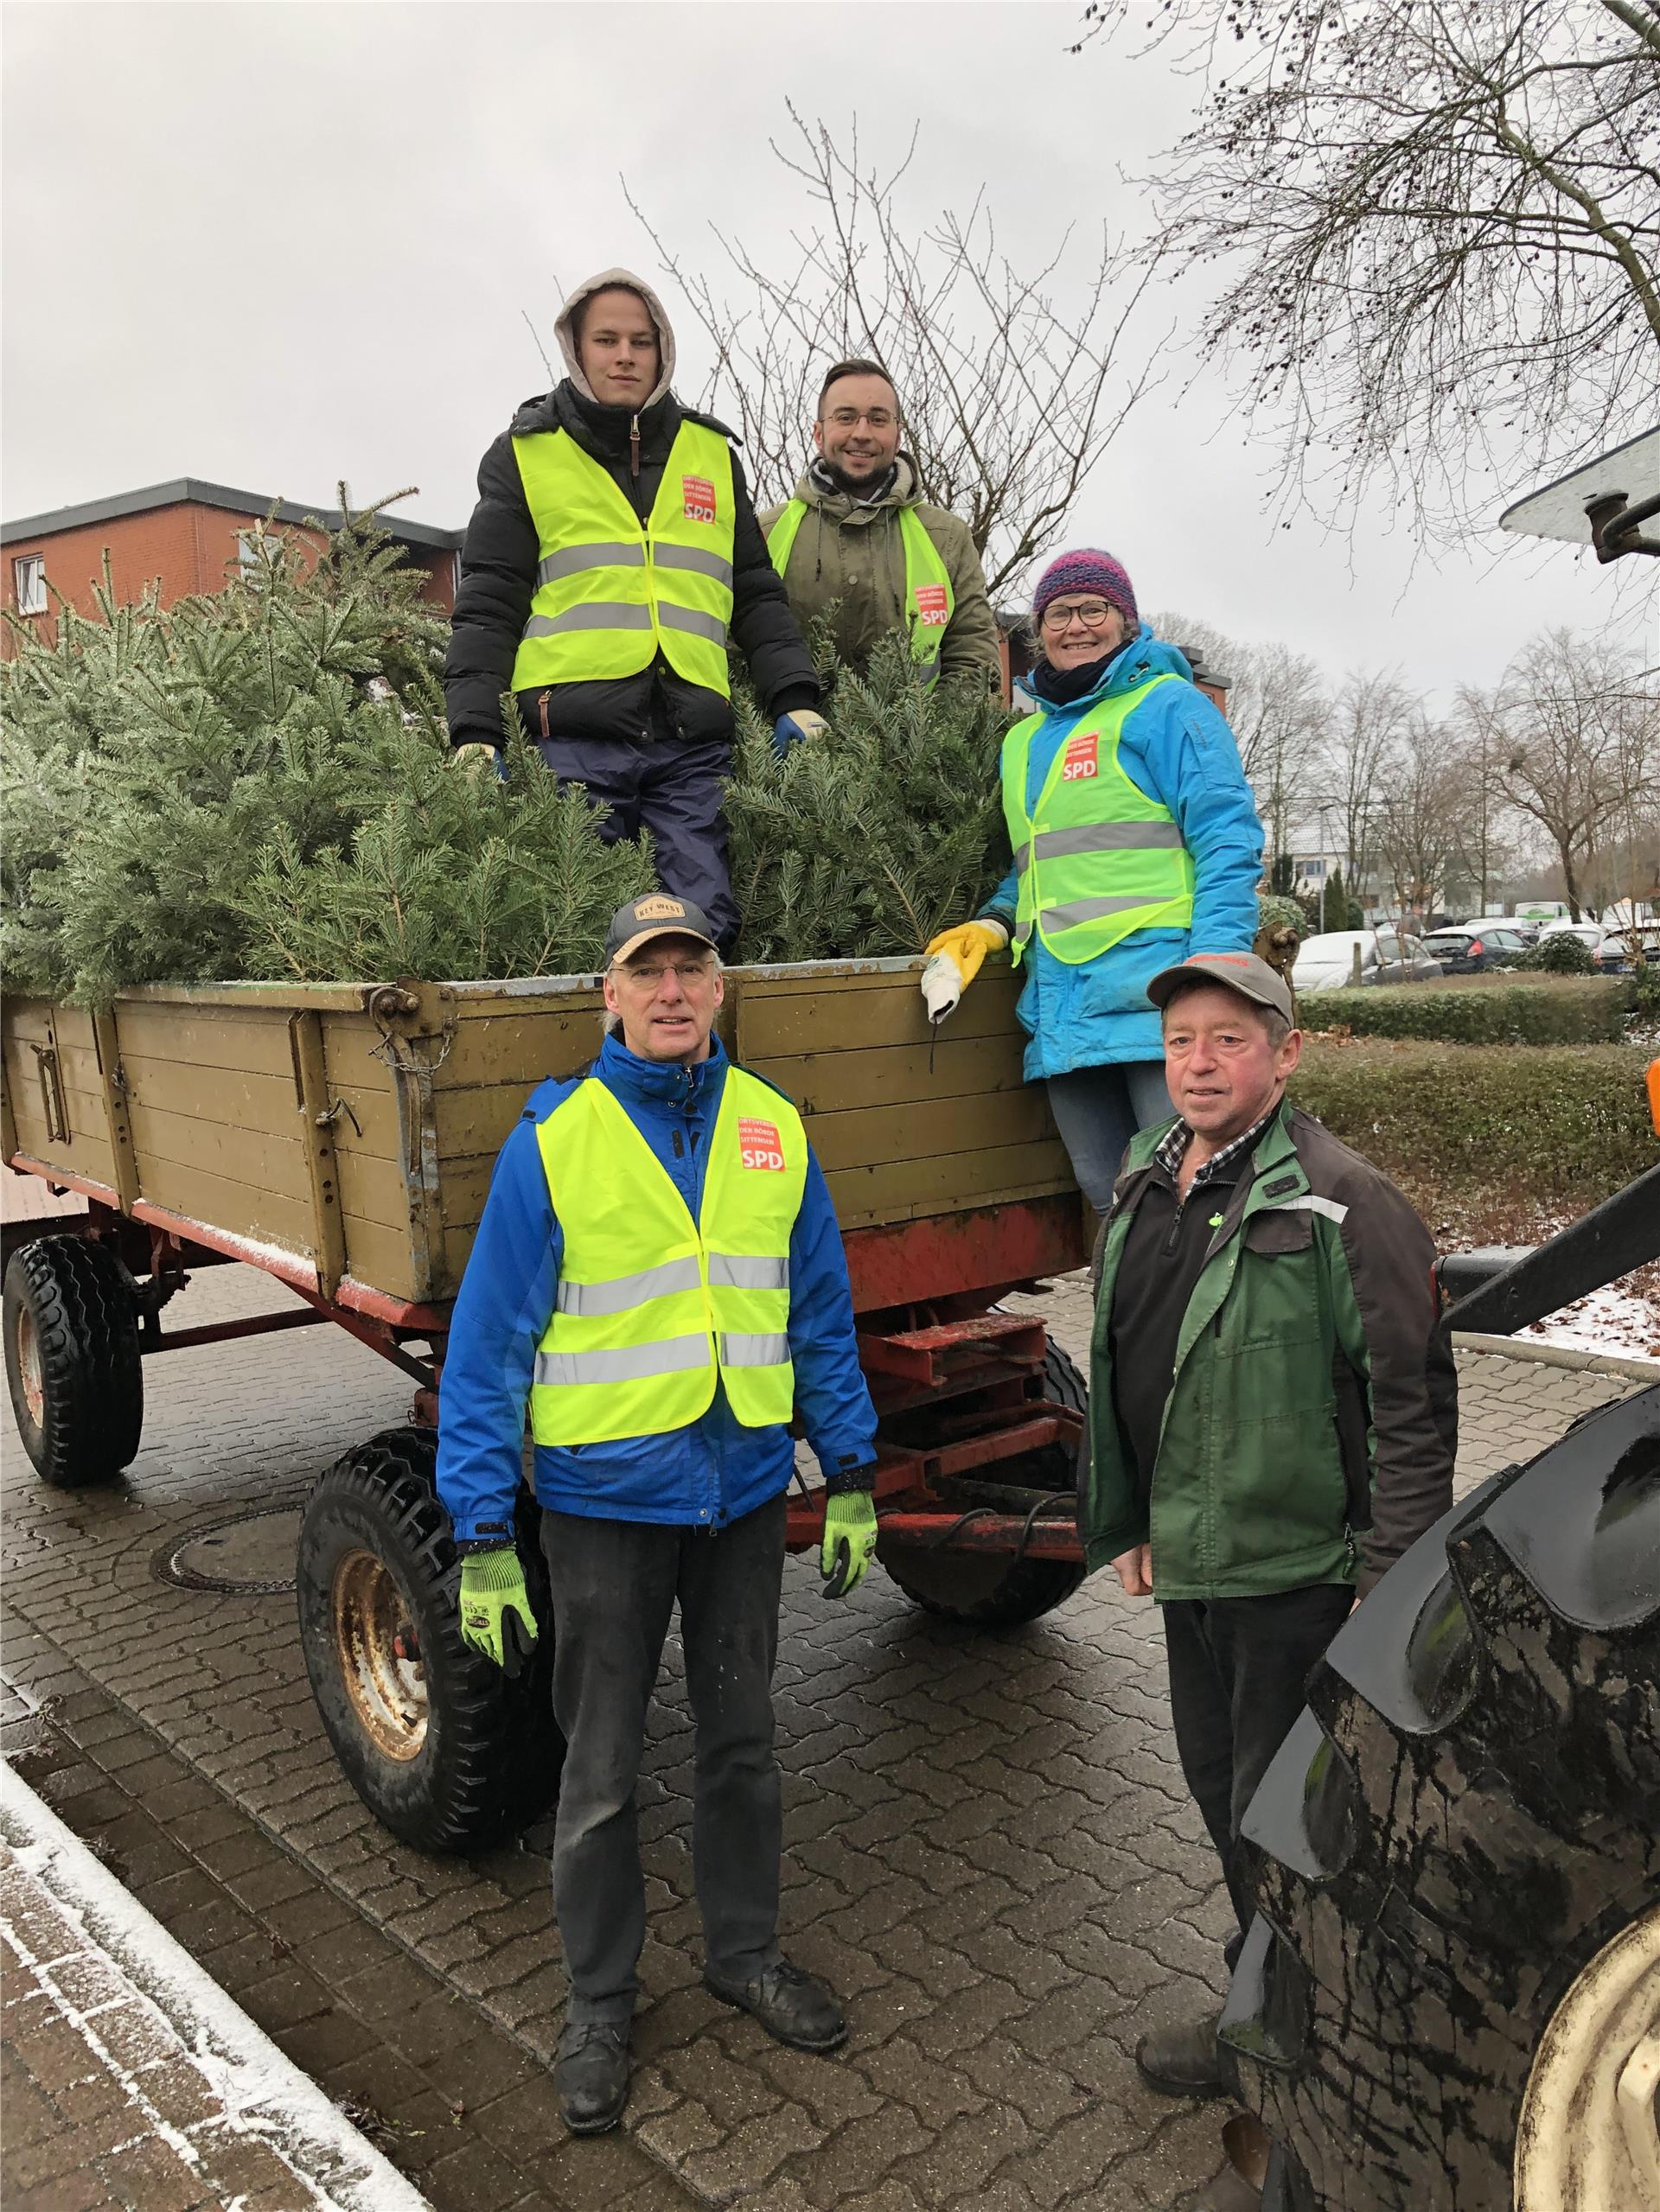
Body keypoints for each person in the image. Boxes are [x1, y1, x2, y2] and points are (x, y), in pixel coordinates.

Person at [435, 892, 881, 2136]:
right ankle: (598, 1998)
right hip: (603, 1506)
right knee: (601, 1767)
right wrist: (479, 1531)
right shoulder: (558, 1139)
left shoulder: (773, 1128)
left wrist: (849, 1468)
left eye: (693, 967)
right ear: (610, 996)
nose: (674, 990)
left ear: (721, 991)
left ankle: (742, 1953)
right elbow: (487, 1352)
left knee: (744, 1744)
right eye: (651, 971)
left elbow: (818, 1313)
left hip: (740, 1493)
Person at [1083, 952, 1457, 2206]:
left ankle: (1323, 2066)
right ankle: (1267, 2011)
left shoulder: (1347, 1202)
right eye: (1183, 1038)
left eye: (1229, 1038)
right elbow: (1132, 1356)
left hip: (1302, 1575)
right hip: (1194, 1566)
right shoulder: (1148, 1174)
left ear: (1286, 1053)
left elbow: (1411, 1402)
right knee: (1219, 1797)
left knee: (1290, 1828)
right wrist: (1126, 1514)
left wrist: (1391, 1579)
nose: (1198, 1059)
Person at [444, 269, 827, 954]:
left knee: (699, 925)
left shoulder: (710, 453)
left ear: (663, 351)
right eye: (608, 339)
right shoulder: (525, 454)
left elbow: (756, 593)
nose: (625, 355)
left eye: (641, 341)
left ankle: (691, 1064)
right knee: (585, 928)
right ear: (577, 349)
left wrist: (794, 696)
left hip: (690, 742)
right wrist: (475, 728)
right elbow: (488, 604)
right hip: (572, 739)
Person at [923, 551, 1263, 1213]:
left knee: (1192, 1198)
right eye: (1058, 613)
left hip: (1159, 1005)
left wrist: (1216, 973)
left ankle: (1209, 1322)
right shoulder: (1023, 742)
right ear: (1037, 631)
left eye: (1093, 609)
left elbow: (1228, 838)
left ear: (1127, 621)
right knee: (1111, 1205)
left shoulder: (1169, 707)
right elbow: (1039, 866)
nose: (1075, 626)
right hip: (1064, 1011)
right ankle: (1129, 1322)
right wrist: (990, 924)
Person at [760, 358, 1001, 691]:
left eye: (878, 419)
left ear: (898, 434)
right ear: (819, 432)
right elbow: (736, 652)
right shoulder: (766, 533)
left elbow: (974, 658)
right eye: (845, 418)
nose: (862, 433)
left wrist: (932, 740)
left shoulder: (947, 537)